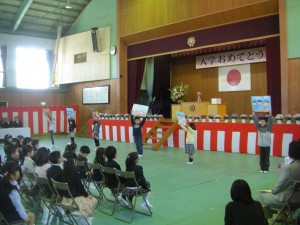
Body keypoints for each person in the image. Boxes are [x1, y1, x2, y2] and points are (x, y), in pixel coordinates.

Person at [257, 139, 300, 220]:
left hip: (288, 201)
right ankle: (281, 216)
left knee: (261, 196)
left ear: (291, 153)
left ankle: (264, 220)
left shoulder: (289, 168)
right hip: (298, 200)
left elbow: (277, 189)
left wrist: (272, 191)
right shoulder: (290, 168)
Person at [62, 151, 97, 225]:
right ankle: (85, 221)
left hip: (65, 198)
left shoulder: (62, 171)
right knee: (92, 201)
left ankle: (70, 216)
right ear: (73, 161)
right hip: (74, 199)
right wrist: (87, 195)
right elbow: (81, 188)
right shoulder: (75, 173)